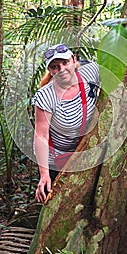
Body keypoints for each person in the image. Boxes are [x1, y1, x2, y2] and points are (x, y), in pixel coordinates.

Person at [32, 44, 100, 203]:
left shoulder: (90, 73)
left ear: (74, 60)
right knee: (55, 202)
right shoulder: (46, 95)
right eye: (55, 67)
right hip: (58, 160)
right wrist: (44, 174)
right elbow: (41, 135)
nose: (61, 69)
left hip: (86, 151)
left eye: (65, 63)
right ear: (50, 70)